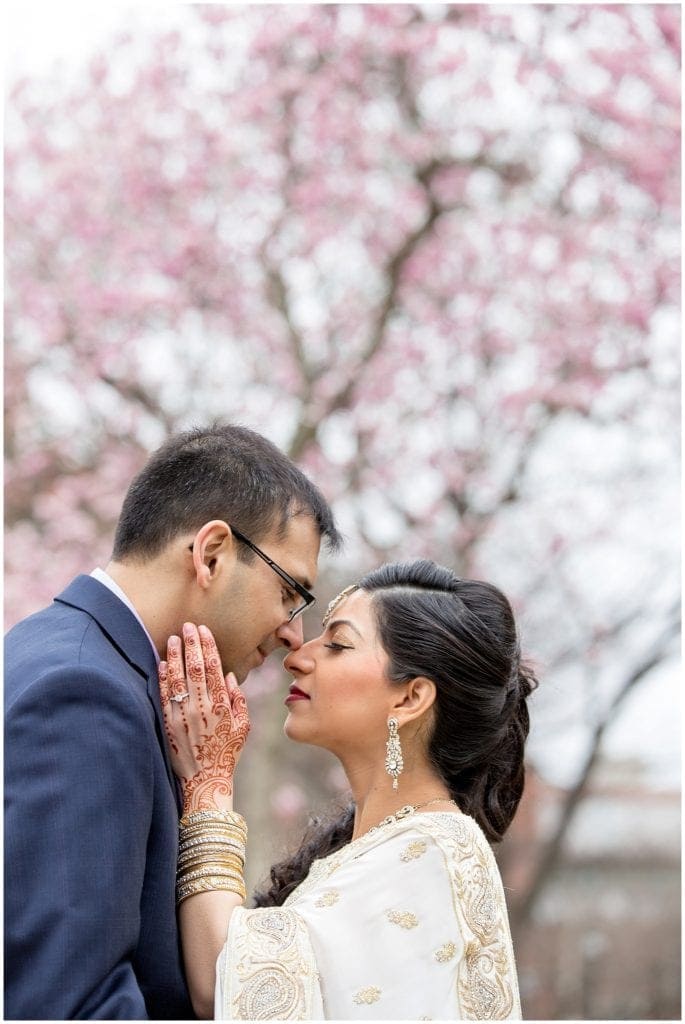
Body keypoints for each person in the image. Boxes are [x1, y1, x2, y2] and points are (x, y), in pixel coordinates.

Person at [4, 423, 341, 1020]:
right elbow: (66, 1004)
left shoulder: (72, 658)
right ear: (211, 554)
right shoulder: (85, 696)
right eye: (291, 591)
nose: (294, 633)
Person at [160, 559, 537, 1020]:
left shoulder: (437, 849)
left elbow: (231, 985)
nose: (297, 657)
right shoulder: (387, 844)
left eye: (337, 644)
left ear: (410, 697)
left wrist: (209, 787)